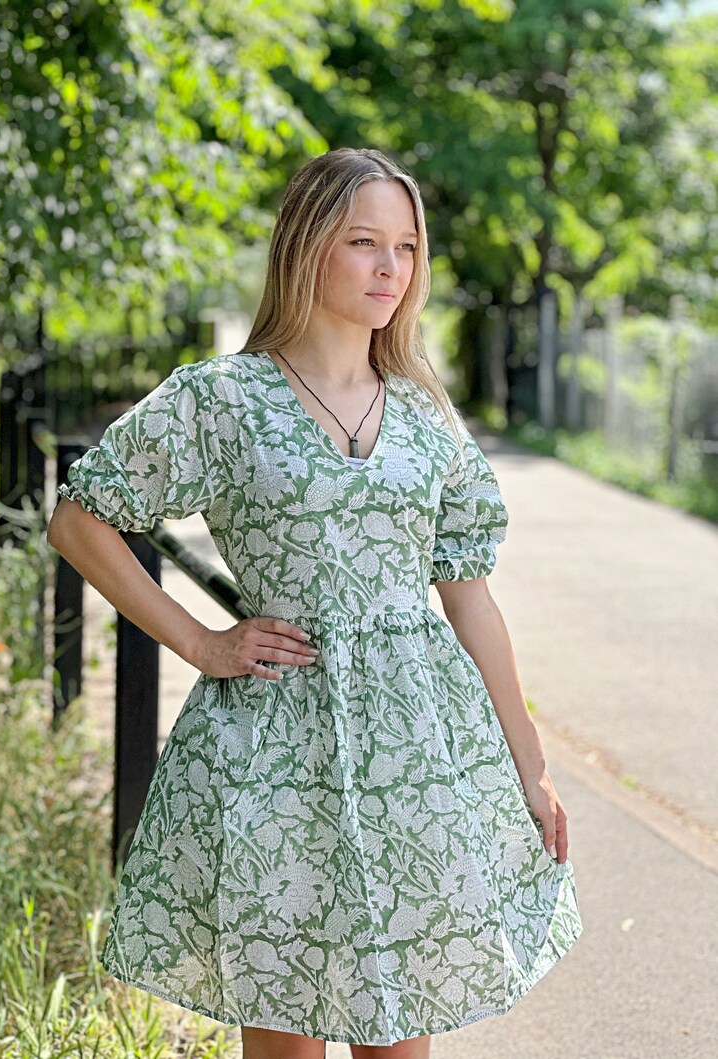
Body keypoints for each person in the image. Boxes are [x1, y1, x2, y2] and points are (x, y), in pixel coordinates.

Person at [47, 147, 583, 1059]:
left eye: (407, 247)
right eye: (363, 242)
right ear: (307, 247)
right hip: (277, 753)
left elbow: (472, 599)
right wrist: (202, 642)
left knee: (396, 1033)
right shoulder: (224, 398)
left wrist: (530, 766)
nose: (389, 268)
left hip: (416, 755)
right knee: (287, 1038)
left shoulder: (423, 414)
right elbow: (79, 518)